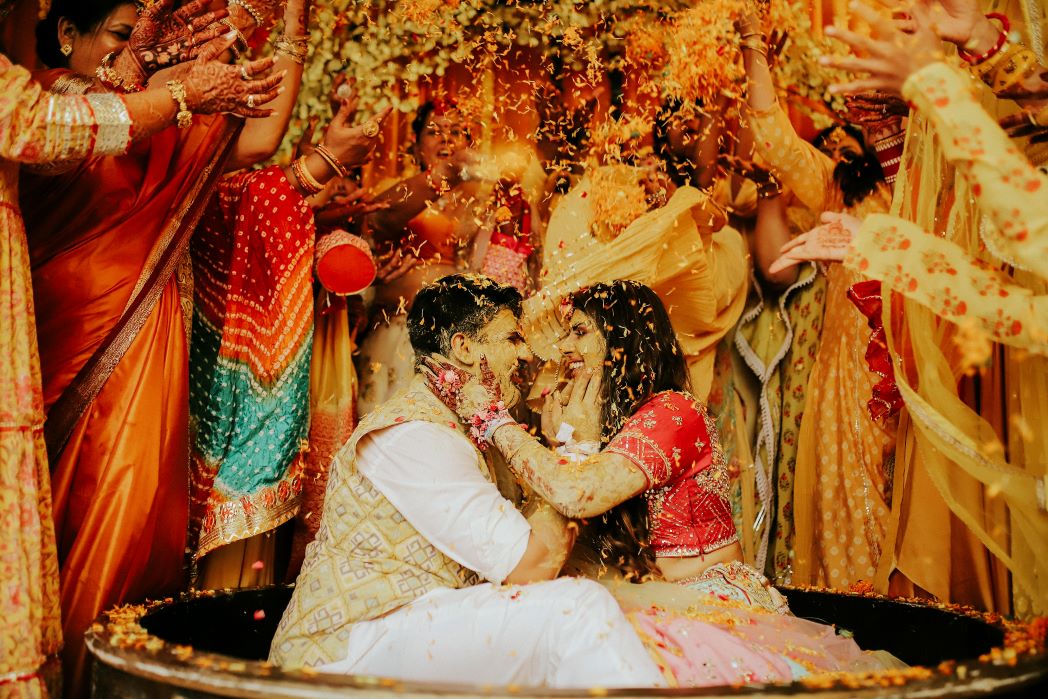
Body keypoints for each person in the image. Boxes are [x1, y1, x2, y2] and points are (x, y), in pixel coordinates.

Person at [0, 0, 277, 692]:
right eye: (121, 37)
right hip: (75, 331)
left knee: (123, 519)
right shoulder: (58, 106)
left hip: (116, 332)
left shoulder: (115, 105)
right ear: (62, 32)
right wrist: (181, 91)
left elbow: (249, 140)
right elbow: (53, 131)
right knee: (94, 510)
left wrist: (277, 37)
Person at [769, 0, 1048, 615]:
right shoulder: (869, 187)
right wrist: (882, 248)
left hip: (977, 360)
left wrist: (956, 69)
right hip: (899, 353)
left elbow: (1029, 230)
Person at [270, 274, 666, 688]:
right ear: (463, 347)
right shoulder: (414, 435)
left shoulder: (461, 427)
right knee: (577, 610)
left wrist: (555, 444)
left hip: (413, 625)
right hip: (346, 652)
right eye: (512, 339)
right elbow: (532, 566)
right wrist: (577, 449)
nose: (527, 354)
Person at [739, 6, 900, 591]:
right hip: (848, 371)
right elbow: (774, 138)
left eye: (879, 103)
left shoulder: (935, 184)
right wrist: (753, 43)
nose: (865, 117)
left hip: (926, 368)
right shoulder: (841, 185)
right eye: (858, 106)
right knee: (847, 500)